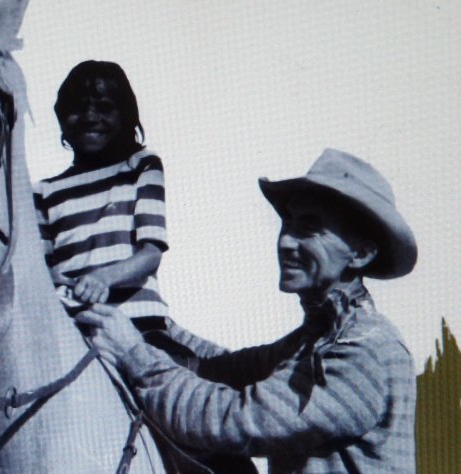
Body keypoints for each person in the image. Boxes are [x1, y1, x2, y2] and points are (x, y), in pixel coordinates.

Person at [77, 149, 418, 473]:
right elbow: (225, 367)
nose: (285, 241)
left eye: (309, 228)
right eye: (288, 223)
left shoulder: (364, 349)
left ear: (360, 254)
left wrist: (135, 355)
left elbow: (236, 420)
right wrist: (154, 322)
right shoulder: (317, 339)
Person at [34, 60, 169, 319]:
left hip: (137, 320)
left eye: (104, 108)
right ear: (61, 116)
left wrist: (102, 279)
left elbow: (151, 254)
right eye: (77, 109)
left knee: (161, 359)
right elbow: (42, 270)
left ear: (125, 116)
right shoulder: (43, 191)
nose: (90, 118)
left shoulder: (141, 167)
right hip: (72, 324)